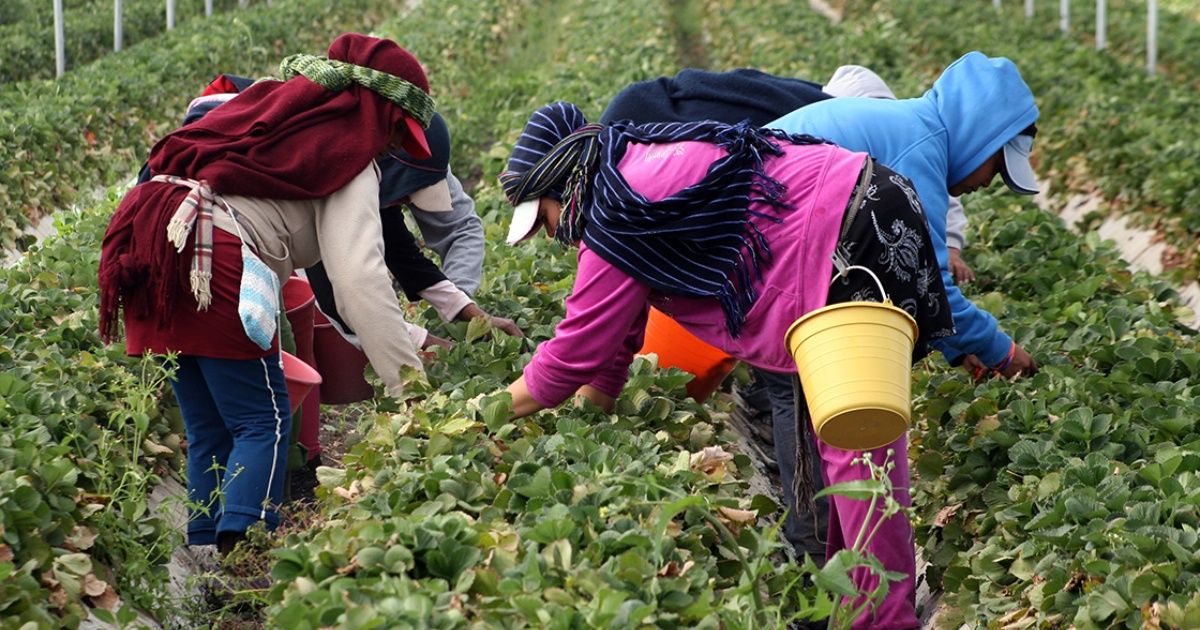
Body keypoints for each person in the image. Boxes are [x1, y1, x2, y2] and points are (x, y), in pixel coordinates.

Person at [493, 102, 955, 599]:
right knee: (839, 437)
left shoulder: (613, 212)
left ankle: (882, 615)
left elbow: (570, 356)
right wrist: (585, 422)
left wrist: (486, 416)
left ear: (562, 181)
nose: (551, 235)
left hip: (852, 233)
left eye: (543, 218)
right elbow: (613, 344)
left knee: (860, 439)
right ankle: (850, 599)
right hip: (861, 204)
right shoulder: (625, 172)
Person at [598, 63, 978, 566]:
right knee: (822, 406)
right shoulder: (828, 126)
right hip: (809, 251)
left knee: (810, 396)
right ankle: (833, 558)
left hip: (807, 252)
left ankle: (822, 555)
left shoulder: (658, 151)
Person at [99, 34, 440, 555]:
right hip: (208, 254)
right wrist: (409, 388)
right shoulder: (346, 151)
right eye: (397, 130)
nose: (394, 146)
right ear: (377, 112)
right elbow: (358, 280)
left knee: (209, 423)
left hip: (145, 235)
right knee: (265, 419)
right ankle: (249, 552)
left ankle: (206, 550)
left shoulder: (271, 110)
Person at [768, 51, 1042, 629]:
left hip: (779, 267)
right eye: (998, 166)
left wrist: (951, 342)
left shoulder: (909, 130)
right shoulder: (921, 145)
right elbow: (931, 279)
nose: (990, 182)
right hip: (780, 269)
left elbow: (910, 280)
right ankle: (870, 611)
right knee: (865, 436)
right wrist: (1002, 352)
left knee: (845, 442)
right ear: (983, 138)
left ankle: (846, 598)